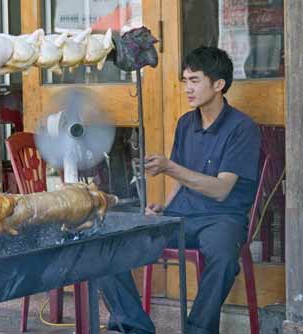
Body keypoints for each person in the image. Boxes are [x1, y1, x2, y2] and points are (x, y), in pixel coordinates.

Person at [99, 46, 261, 334]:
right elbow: (182, 179)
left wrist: (169, 166)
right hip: (182, 216)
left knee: (223, 258)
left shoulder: (242, 128)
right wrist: (165, 207)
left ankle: (198, 329)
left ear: (219, 84)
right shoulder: (186, 123)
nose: (188, 88)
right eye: (185, 80)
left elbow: (222, 189)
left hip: (222, 218)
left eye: (195, 80)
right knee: (104, 248)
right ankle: (135, 326)